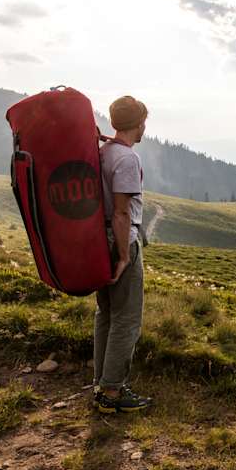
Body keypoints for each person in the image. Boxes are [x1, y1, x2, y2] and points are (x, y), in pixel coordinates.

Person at [92, 95, 152, 413]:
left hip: (96, 240)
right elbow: (121, 212)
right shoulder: (127, 159)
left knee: (105, 314)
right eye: (144, 121)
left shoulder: (103, 151)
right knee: (127, 318)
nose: (145, 127)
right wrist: (124, 255)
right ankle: (112, 392)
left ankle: (102, 384)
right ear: (137, 123)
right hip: (118, 241)